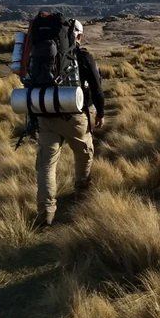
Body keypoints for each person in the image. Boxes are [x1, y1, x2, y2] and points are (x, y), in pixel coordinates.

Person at [35, 20, 105, 227]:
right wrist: (100, 112)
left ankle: (46, 213)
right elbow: (97, 87)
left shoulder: (40, 57)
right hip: (75, 116)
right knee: (84, 152)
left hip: (45, 114)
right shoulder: (83, 57)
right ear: (78, 37)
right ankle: (81, 192)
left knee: (46, 165)